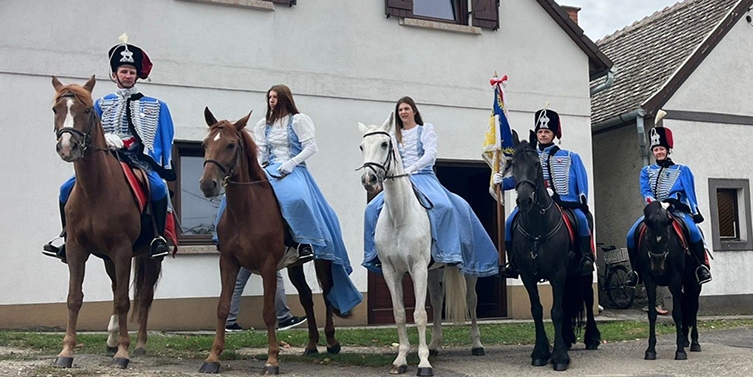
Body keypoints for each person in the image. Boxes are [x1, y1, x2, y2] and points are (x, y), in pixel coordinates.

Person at [43, 37, 174, 262]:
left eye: (132, 72)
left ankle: (158, 239)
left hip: (137, 161)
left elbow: (164, 137)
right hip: (106, 159)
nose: (128, 76)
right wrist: (106, 141)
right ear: (114, 75)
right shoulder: (100, 104)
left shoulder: (156, 105)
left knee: (159, 188)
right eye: (123, 71)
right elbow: (90, 131)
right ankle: (67, 238)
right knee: (66, 189)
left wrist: (133, 146)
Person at [249, 84, 362, 316]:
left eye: (275, 97)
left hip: (294, 168)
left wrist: (290, 163)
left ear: (284, 99)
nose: (271, 101)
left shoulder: (298, 120)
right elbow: (260, 150)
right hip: (269, 169)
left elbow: (311, 146)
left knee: (296, 200)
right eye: (269, 97)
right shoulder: (262, 125)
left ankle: (304, 244)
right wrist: (260, 167)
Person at [362, 97, 500, 277]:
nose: (403, 112)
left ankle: (449, 252)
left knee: (446, 207)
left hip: (423, 177)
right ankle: (375, 254)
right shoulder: (393, 137)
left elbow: (430, 154)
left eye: (406, 109)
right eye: (400, 110)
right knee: (371, 209)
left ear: (414, 111)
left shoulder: (425, 130)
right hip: (399, 181)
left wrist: (411, 168)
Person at [495, 108, 595, 279]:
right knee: (509, 223)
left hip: (566, 202)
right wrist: (501, 182)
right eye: (540, 131)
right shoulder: (529, 155)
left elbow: (581, 181)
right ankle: (513, 263)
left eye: (546, 131)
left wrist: (581, 199)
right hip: (533, 202)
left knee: (581, 220)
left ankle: (585, 257)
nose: (543, 135)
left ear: (554, 134)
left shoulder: (571, 156)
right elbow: (521, 179)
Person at [626, 126, 712, 286]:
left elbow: (689, 193)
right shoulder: (646, 171)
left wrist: (690, 209)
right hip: (654, 211)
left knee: (694, 232)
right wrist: (656, 204)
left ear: (667, 150)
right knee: (631, 235)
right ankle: (636, 272)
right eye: (656, 149)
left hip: (677, 211)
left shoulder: (682, 170)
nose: (659, 152)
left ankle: (701, 267)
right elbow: (646, 192)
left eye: (661, 149)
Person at [224, 267, 306, 331]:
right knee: (274, 279)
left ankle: (228, 321)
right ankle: (284, 318)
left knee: (237, 284)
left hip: (243, 253)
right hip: (261, 252)